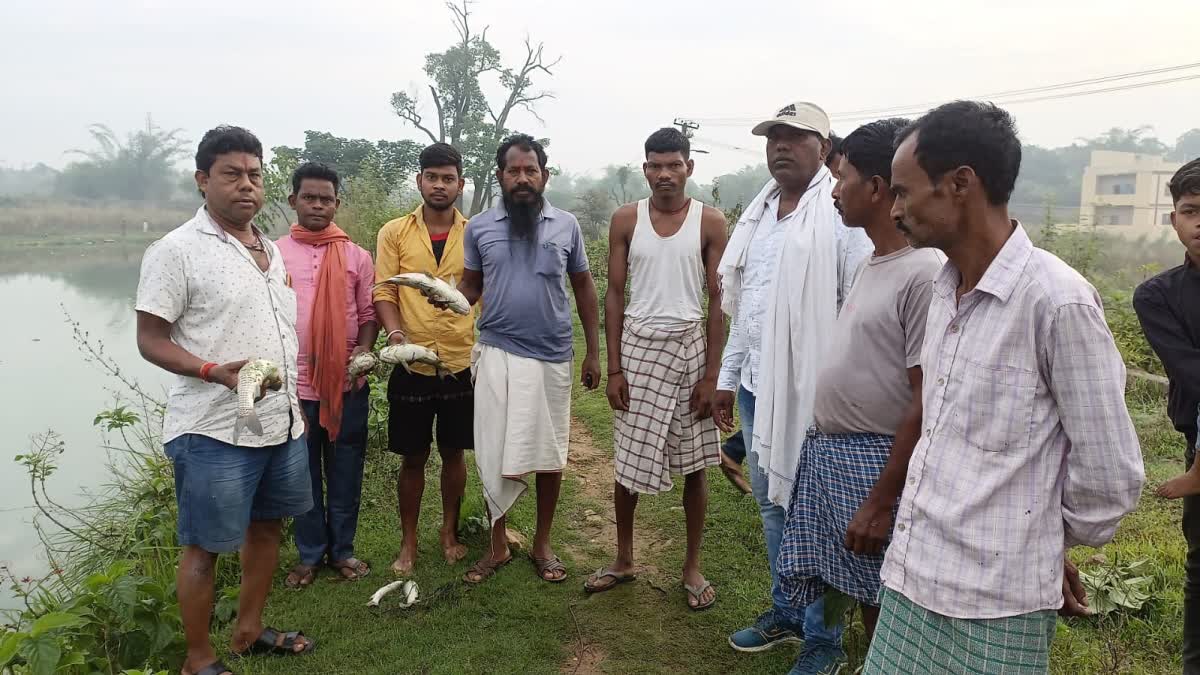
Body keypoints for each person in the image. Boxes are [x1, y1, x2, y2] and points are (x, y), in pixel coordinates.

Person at [864, 101, 1144, 673]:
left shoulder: (1057, 302)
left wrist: (1041, 541)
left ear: (960, 184)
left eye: (903, 192)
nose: (893, 211)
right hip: (912, 572)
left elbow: (1111, 477)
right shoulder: (944, 290)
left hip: (994, 608)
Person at [135, 126, 314, 675]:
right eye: (232, 174)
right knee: (204, 547)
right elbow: (151, 339)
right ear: (202, 180)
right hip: (213, 429)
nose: (247, 186)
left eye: (255, 175)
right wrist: (212, 370)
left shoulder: (270, 248)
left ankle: (249, 630)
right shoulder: (175, 251)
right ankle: (198, 658)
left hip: (281, 422)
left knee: (267, 527)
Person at [774, 118, 943, 673]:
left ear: (876, 189)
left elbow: (925, 400)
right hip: (838, 457)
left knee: (885, 598)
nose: (834, 188)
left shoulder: (922, 273)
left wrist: (881, 499)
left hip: (876, 467)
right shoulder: (876, 263)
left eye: (841, 176)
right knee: (864, 593)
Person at [712, 101, 874, 654]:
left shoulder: (840, 217)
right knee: (773, 504)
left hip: (818, 395)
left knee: (820, 517)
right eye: (773, 138)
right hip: (761, 387)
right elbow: (748, 309)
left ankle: (824, 639)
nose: (780, 147)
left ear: (824, 149)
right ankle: (789, 611)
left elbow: (858, 309)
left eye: (795, 138)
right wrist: (728, 378)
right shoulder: (759, 215)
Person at [583, 128, 728, 609]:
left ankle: (691, 566)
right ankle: (624, 559)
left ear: (689, 167)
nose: (664, 174)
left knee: (695, 466)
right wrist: (616, 368)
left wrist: (712, 376)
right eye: (655, 165)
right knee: (628, 462)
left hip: (690, 352)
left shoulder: (710, 222)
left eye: (674, 164)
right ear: (645, 168)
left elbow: (716, 301)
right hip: (639, 351)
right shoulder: (627, 219)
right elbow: (615, 294)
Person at [450, 133, 602, 585]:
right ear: (500, 176)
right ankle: (497, 545)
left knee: (549, 451)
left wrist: (594, 351)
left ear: (544, 175)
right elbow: (471, 287)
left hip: (552, 354)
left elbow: (584, 288)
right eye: (513, 170)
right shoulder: (479, 227)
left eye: (529, 170)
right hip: (495, 351)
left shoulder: (566, 224)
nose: (522, 178)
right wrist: (445, 299)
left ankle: (542, 543)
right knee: (494, 448)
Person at [374, 143, 476, 574]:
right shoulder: (393, 231)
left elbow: (482, 288)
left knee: (455, 454)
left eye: (447, 178)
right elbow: (385, 291)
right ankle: (408, 542)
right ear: (419, 181)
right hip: (411, 362)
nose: (439, 184)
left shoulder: (476, 232)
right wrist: (396, 334)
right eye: (431, 176)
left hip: (460, 361)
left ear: (460, 184)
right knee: (412, 457)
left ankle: (449, 532)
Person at [276, 162, 378, 588]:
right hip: (293, 386)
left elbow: (369, 315)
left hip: (347, 385)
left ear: (337, 203)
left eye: (326, 199)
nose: (318, 205)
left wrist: (364, 352)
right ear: (293, 201)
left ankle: (343, 550)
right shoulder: (271, 253)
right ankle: (310, 554)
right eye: (309, 197)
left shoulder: (357, 256)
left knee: (346, 468)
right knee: (303, 473)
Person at [1132, 157, 1200, 670]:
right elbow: (1192, 374)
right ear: (1173, 218)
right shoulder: (1157, 295)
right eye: (1190, 210)